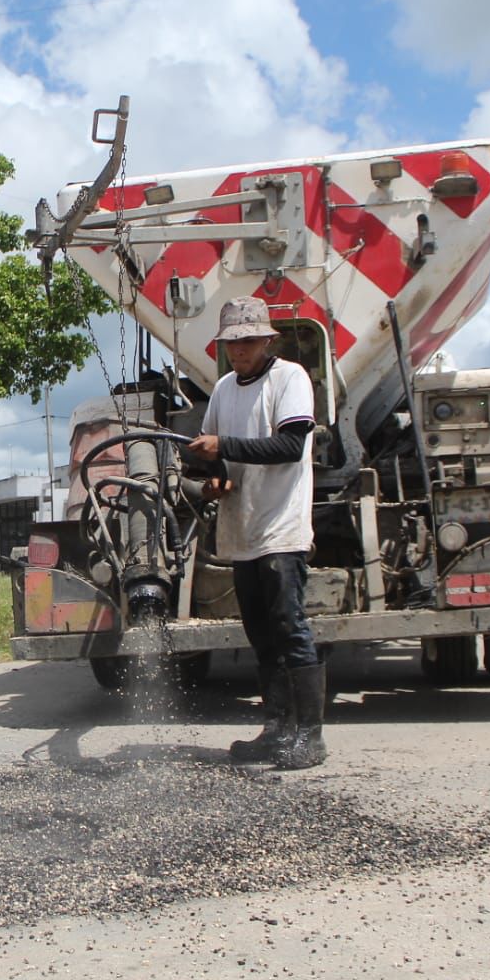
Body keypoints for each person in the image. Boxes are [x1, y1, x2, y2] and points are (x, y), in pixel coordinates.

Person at [186, 296, 324, 769]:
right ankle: (276, 728)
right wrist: (215, 474)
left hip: (281, 525)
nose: (239, 351)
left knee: (289, 626)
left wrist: (224, 445)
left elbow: (289, 445)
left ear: (267, 340)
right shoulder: (225, 388)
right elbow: (213, 455)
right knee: (261, 634)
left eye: (247, 342)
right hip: (241, 526)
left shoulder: (290, 379)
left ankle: (310, 736)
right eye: (232, 344)